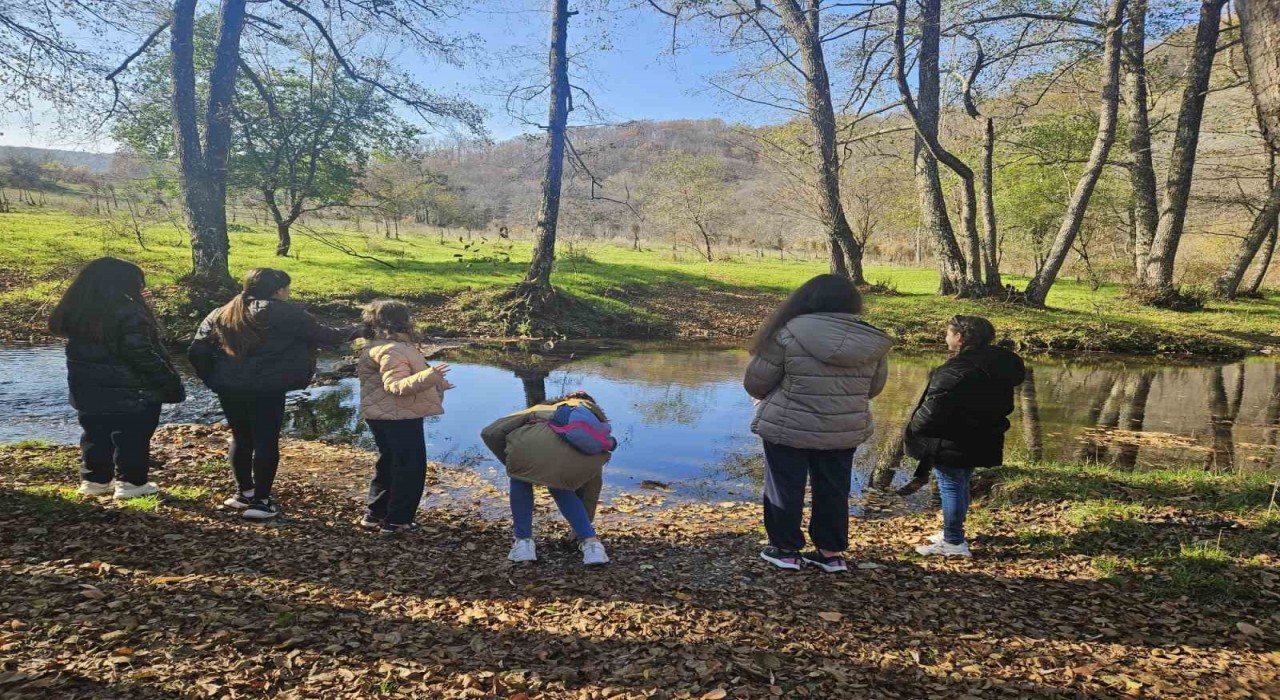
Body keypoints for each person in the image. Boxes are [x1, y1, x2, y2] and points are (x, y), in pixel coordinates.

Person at [745, 274, 892, 573]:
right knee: (834, 490)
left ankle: (786, 550)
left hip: (788, 425)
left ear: (806, 299)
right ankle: (831, 554)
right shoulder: (871, 340)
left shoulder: (786, 333)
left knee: (785, 486)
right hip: (843, 429)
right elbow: (873, 389)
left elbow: (756, 383)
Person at [188, 268, 354, 521]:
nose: (288, 292)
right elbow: (328, 337)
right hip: (268, 389)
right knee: (265, 441)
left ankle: (244, 493)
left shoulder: (221, 312)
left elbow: (196, 351)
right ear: (279, 290)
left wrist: (213, 380)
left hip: (230, 388)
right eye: (287, 288)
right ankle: (262, 502)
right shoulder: (287, 313)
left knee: (241, 437)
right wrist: (359, 330)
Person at [49, 257, 186, 499]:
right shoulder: (129, 310)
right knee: (133, 435)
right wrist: (169, 380)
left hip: (86, 386)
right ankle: (131, 484)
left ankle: (95, 481)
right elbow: (141, 353)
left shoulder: (77, 309)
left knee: (94, 433)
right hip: (132, 387)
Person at [904, 315, 1025, 558]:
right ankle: (953, 532)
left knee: (951, 485)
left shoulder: (955, 370)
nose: (945, 337)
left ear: (959, 337)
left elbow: (932, 411)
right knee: (961, 483)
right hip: (983, 435)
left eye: (948, 333)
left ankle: (953, 542)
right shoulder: (999, 363)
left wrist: (916, 426)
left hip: (951, 438)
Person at [480, 391, 614, 566]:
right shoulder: (596, 429)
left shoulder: (543, 408)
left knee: (521, 479)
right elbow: (591, 490)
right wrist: (580, 528)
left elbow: (489, 432)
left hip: (528, 447)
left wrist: (510, 461)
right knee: (561, 485)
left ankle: (523, 545)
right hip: (573, 463)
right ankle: (592, 546)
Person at [356, 300, 453, 536]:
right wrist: (430, 376)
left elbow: (407, 375)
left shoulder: (380, 346)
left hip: (383, 414)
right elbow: (396, 386)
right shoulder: (392, 349)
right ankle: (397, 521)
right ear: (401, 321)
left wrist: (437, 383)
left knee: (389, 463)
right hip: (399, 417)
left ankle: (375, 514)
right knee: (409, 467)